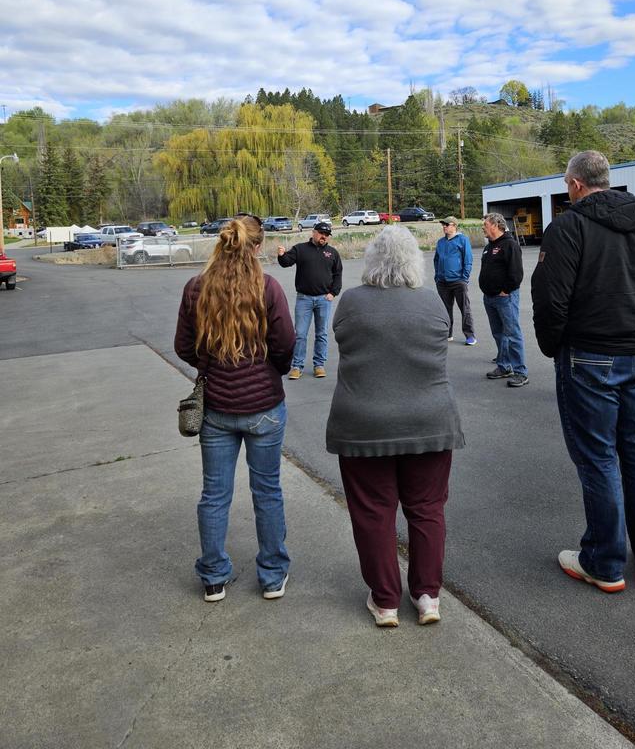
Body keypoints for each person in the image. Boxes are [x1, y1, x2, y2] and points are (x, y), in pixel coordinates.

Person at [531, 150, 635, 592]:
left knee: (599, 459)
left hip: (592, 355)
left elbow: (550, 296)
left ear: (576, 184)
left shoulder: (569, 226)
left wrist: (553, 346)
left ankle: (604, 561)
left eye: (566, 183)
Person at [326, 226, 465, 627]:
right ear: (414, 262)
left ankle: (385, 600)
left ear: (372, 260)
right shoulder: (433, 303)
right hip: (430, 421)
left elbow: (344, 341)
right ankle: (427, 596)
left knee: (373, 512)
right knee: (427, 510)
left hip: (363, 424)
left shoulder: (351, 303)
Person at [174, 215, 296, 602]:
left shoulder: (197, 288)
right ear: (257, 247)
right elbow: (285, 344)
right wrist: (268, 372)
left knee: (214, 494)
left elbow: (184, 345)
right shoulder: (268, 287)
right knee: (268, 491)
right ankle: (273, 576)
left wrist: (210, 365)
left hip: (217, 410)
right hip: (264, 407)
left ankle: (213, 577)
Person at [277, 221, 342, 379]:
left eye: (326, 235)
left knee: (321, 334)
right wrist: (281, 255)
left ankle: (319, 365)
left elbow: (338, 274)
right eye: (321, 233)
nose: (324, 237)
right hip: (304, 299)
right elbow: (286, 262)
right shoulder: (301, 249)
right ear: (314, 232)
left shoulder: (332, 253)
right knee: (300, 334)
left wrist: (333, 293)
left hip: (323, 299)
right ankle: (297, 366)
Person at [478, 212, 528, 386]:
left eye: (485, 224)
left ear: (495, 225)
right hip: (489, 298)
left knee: (513, 334)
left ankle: (521, 372)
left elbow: (516, 273)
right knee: (499, 334)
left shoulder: (510, 245)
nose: (483, 227)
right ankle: (504, 366)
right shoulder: (489, 246)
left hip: (505, 298)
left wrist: (506, 290)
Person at [434, 215, 476, 345]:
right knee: (445, 309)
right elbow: (436, 259)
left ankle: (470, 336)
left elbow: (468, 259)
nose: (444, 227)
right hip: (442, 282)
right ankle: (448, 334)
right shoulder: (441, 242)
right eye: (443, 225)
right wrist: (437, 276)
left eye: (447, 225)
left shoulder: (462, 240)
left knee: (465, 308)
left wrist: (464, 278)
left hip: (458, 281)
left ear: (454, 226)